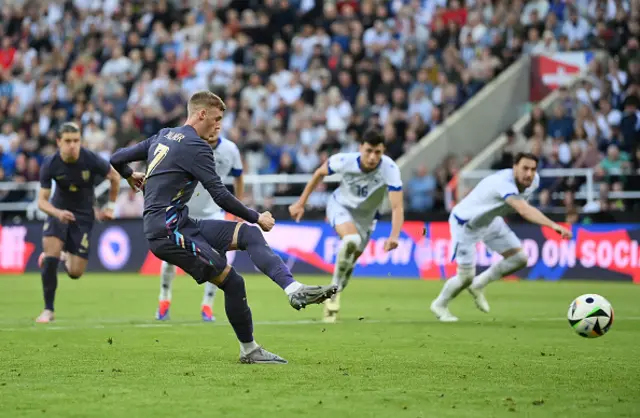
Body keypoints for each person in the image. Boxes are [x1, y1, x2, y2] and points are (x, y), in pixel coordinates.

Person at [110, 91, 336, 364]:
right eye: (216, 119)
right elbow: (220, 195)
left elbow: (117, 157)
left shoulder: (163, 135)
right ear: (201, 114)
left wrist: (130, 175)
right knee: (233, 281)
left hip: (180, 222)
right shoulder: (197, 147)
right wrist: (257, 216)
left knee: (248, 235)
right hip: (168, 231)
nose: (219, 126)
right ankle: (249, 350)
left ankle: (293, 289)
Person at [430, 153, 572, 322]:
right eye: (524, 168)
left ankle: (479, 284)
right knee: (465, 277)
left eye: (533, 169)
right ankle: (439, 304)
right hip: (466, 224)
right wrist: (553, 225)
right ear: (514, 168)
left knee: (519, 258)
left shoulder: (534, 181)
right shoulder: (503, 183)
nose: (529, 173)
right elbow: (523, 209)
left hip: (490, 220)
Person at [289, 129, 405, 323]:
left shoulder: (390, 169)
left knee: (350, 261)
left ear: (383, 151)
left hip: (367, 219)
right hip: (340, 206)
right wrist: (301, 203)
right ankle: (332, 293)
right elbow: (319, 173)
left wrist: (394, 235)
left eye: (378, 152)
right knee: (351, 239)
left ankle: (338, 286)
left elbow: (397, 206)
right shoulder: (344, 161)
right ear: (360, 148)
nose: (372, 157)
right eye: (368, 151)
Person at [35, 122, 121, 323]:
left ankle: (64, 256)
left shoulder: (89, 158)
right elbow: (41, 201)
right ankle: (48, 309)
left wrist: (110, 207)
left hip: (83, 216)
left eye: (76, 141)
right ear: (59, 142)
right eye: (68, 141)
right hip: (58, 211)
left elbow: (115, 177)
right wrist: (57, 213)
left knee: (75, 272)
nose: (73, 145)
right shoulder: (50, 163)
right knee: (50, 257)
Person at [156, 135, 244, 322]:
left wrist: (239, 206)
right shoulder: (187, 145)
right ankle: (164, 300)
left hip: (212, 212)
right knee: (170, 257)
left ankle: (207, 305)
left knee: (219, 258)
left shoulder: (231, 150)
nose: (215, 127)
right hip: (182, 210)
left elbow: (238, 176)